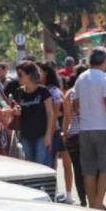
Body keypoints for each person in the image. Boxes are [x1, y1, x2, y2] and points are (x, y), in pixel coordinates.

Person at [72, 47, 106, 209]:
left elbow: (75, 103)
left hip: (85, 129)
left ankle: (93, 203)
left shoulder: (81, 77)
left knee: (89, 169)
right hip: (103, 127)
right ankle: (99, 202)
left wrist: (85, 115)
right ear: (105, 61)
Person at [9, 61, 56, 168]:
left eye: (20, 74)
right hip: (25, 134)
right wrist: (16, 111)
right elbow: (14, 108)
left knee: (41, 164)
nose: (18, 77)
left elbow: (50, 113)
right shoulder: (18, 92)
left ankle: (43, 185)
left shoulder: (43, 91)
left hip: (41, 134)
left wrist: (48, 134)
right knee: (29, 165)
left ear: (29, 74)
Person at [42, 62, 74, 202]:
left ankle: (68, 194)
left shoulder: (54, 90)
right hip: (50, 128)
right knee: (52, 163)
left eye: (40, 72)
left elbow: (57, 112)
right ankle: (54, 193)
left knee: (65, 162)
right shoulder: (42, 89)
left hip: (58, 127)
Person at [64, 64, 89, 206]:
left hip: (73, 134)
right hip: (88, 132)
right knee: (91, 169)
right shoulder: (89, 91)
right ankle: (93, 197)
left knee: (78, 169)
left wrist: (65, 133)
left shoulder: (69, 93)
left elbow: (67, 117)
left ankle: (83, 200)